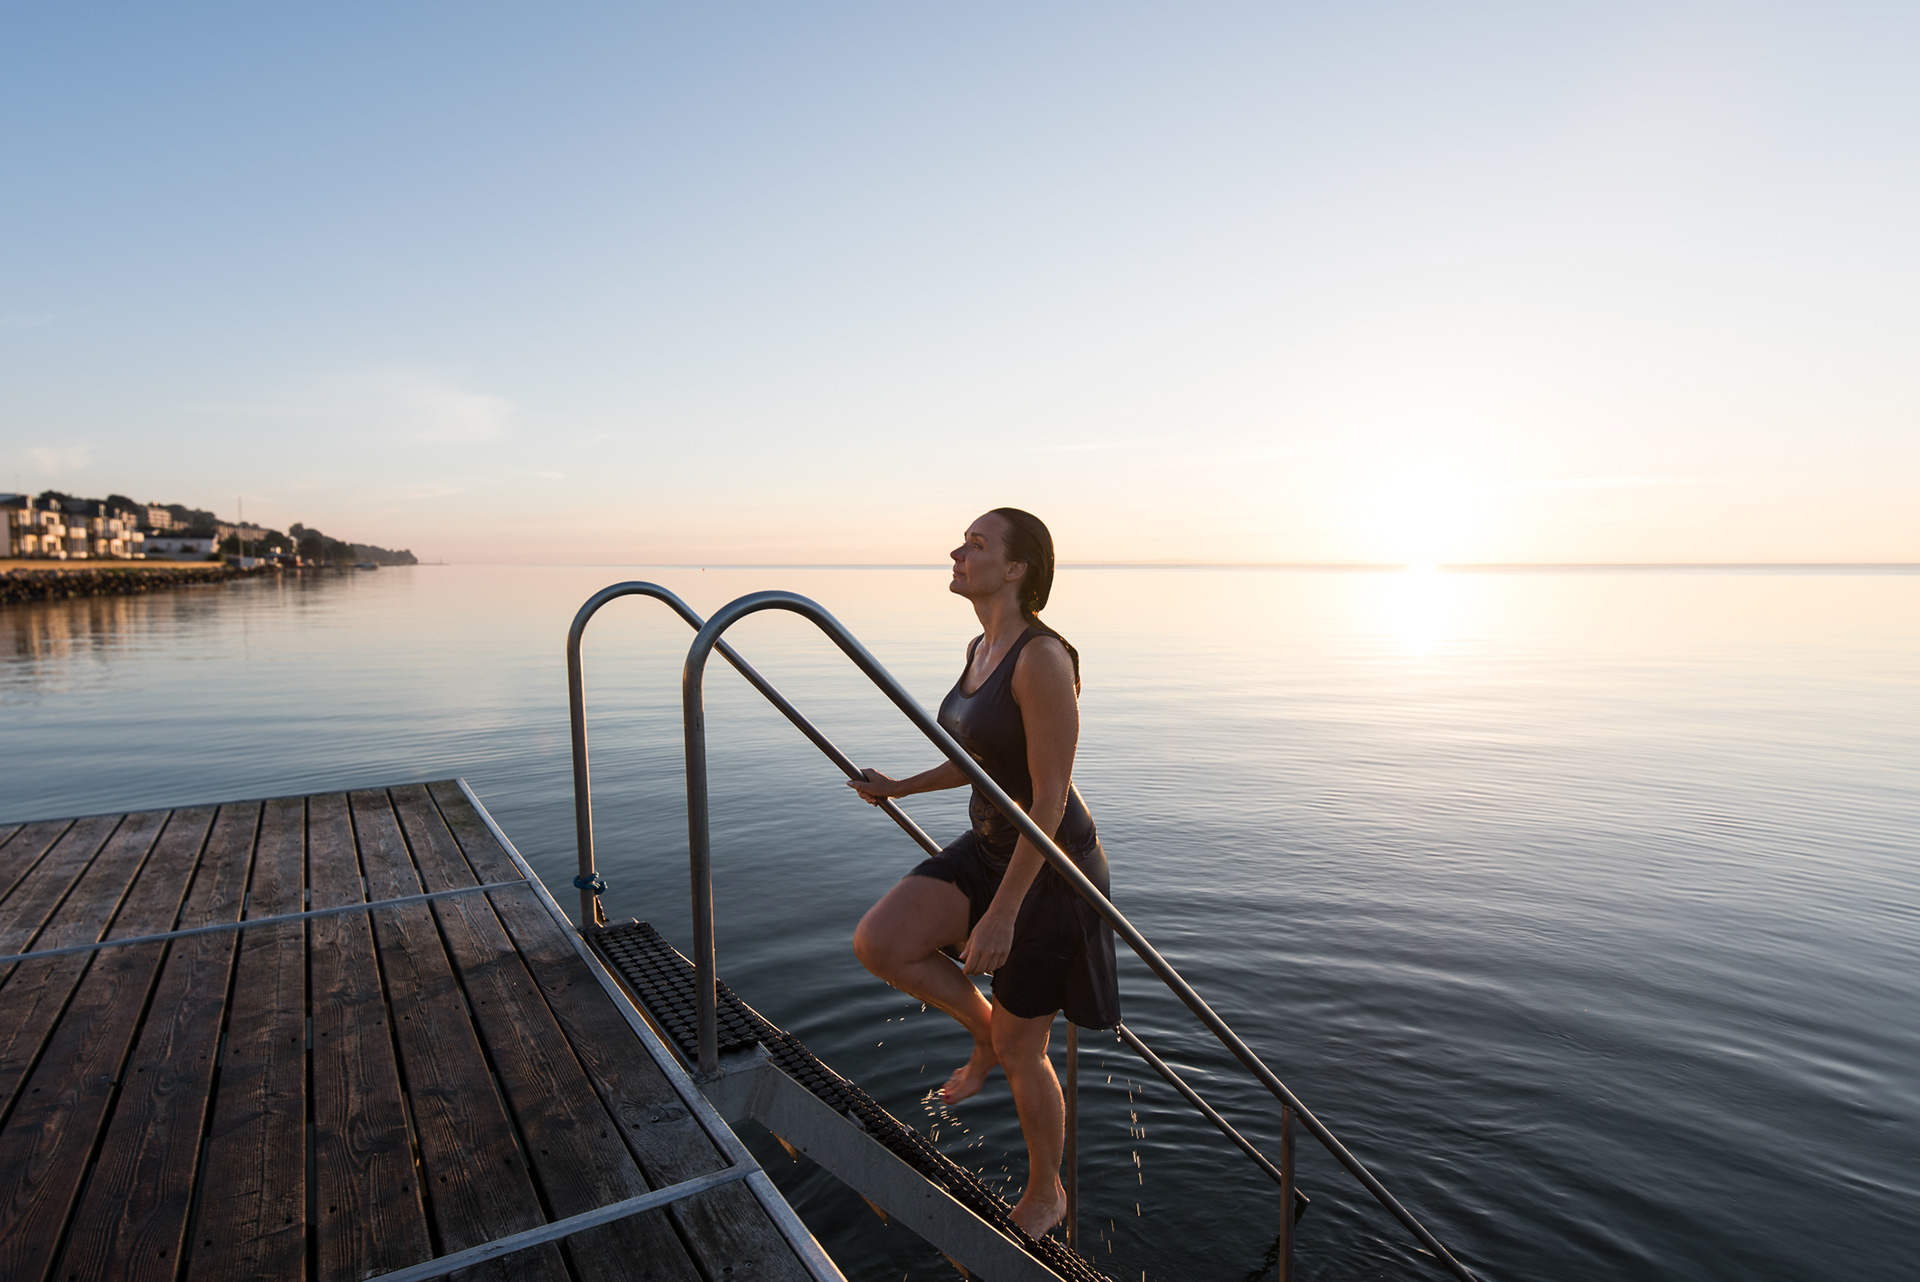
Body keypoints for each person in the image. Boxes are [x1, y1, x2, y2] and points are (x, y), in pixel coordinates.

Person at [848, 507, 1119, 1240]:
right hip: (991, 843)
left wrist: (1001, 914)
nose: (957, 552)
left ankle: (1045, 1193)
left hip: (1053, 867)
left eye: (975, 544)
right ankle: (985, 1033)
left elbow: (1049, 799)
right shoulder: (980, 645)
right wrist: (899, 788)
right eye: (962, 542)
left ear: (1017, 568)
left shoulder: (1042, 659)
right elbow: (978, 760)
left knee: (1025, 1051)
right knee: (881, 942)